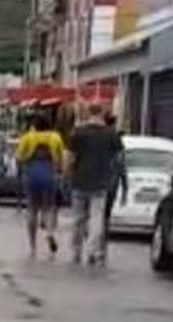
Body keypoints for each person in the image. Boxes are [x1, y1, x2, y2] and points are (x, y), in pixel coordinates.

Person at [69, 103, 124, 267]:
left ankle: (76, 251)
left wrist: (68, 173)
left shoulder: (78, 132)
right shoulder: (111, 134)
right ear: (102, 113)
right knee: (97, 218)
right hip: (101, 182)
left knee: (78, 218)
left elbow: (70, 157)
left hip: (79, 180)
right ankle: (92, 250)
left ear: (88, 112)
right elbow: (119, 158)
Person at [15, 113, 65, 256]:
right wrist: (60, 172)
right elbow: (61, 157)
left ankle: (33, 245)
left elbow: (18, 157)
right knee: (49, 207)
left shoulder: (27, 138)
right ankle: (49, 232)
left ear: (35, 126)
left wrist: (22, 171)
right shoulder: (55, 137)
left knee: (32, 209)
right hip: (49, 175)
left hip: (31, 176)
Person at [104, 114, 129, 232]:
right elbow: (122, 167)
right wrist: (125, 190)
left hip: (98, 181)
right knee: (106, 210)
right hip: (111, 183)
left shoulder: (101, 136)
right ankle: (103, 228)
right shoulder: (117, 140)